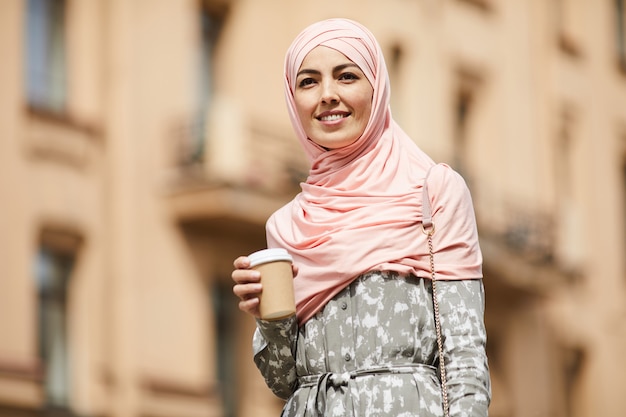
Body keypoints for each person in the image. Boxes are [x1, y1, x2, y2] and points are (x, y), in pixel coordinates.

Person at [231, 18, 491, 417]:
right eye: (308, 82)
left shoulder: (433, 192)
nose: (328, 95)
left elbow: (465, 361)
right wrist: (268, 319)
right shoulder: (287, 226)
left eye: (347, 76)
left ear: (377, 86)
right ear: (292, 98)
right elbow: (284, 381)